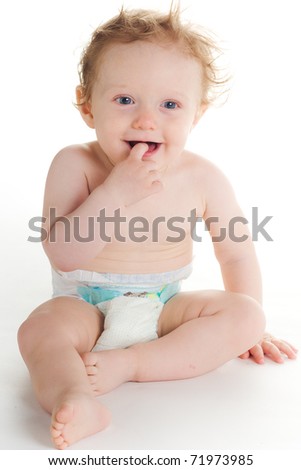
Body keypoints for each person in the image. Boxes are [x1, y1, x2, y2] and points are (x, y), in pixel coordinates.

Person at [18, 6, 297, 450]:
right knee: (39, 331)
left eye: (170, 105)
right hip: (84, 307)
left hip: (164, 308)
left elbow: (237, 253)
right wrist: (113, 193)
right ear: (88, 105)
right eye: (125, 100)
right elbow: (64, 254)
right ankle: (74, 398)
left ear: (196, 114)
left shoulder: (202, 176)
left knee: (245, 314)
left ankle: (136, 363)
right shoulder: (75, 164)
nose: (147, 121)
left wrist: (252, 329)